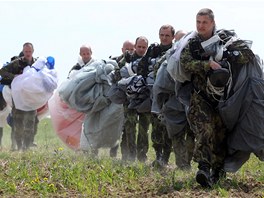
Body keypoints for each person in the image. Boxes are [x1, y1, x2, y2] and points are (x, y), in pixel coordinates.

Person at [178, 8, 255, 187]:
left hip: (223, 98)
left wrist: (228, 56)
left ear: (212, 23)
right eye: (198, 22)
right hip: (200, 96)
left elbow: (246, 55)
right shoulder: (192, 43)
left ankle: (218, 172)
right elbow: (186, 63)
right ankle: (203, 168)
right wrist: (208, 64)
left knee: (221, 134)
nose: (201, 26)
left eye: (204, 22)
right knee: (204, 129)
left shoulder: (224, 40)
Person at [152, 30, 195, 170]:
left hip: (191, 101)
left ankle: (186, 163)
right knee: (176, 134)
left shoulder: (195, 56)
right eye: (178, 40)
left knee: (191, 134)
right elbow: (158, 79)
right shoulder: (166, 59)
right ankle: (182, 165)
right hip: (173, 103)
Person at [0, 42, 37, 150]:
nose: (28, 53)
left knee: (30, 124)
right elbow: (2, 72)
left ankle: (26, 147)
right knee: (18, 124)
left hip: (30, 99)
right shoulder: (17, 63)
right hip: (18, 99)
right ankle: (18, 146)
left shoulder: (37, 63)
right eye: (26, 51)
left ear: (32, 51)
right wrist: (15, 77)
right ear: (23, 51)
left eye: (29, 51)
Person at [119, 36, 150, 162]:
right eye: (139, 47)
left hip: (144, 99)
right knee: (129, 127)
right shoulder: (126, 60)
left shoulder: (149, 60)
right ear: (135, 47)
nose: (141, 49)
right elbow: (117, 75)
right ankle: (128, 155)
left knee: (144, 128)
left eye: (144, 47)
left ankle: (142, 156)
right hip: (129, 99)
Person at [150, 25, 175, 167]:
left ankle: (165, 157)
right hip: (155, 93)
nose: (164, 38)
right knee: (156, 126)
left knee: (169, 126)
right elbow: (143, 66)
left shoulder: (176, 50)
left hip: (171, 94)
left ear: (172, 37)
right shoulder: (153, 50)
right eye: (162, 35)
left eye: (167, 35)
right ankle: (158, 156)